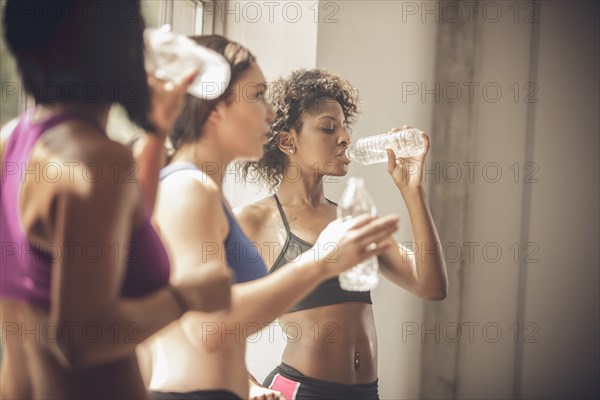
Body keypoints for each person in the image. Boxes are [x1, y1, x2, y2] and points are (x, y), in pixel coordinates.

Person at [144, 35, 399, 400]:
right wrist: (320, 262)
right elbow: (210, 330)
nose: (270, 113)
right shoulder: (189, 189)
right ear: (215, 107)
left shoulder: (205, 193)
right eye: (258, 95)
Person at [0, 1, 231, 398]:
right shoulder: (99, 160)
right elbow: (82, 340)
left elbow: (108, 235)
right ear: (114, 46)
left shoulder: (13, 141)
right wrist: (189, 296)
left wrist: (157, 130)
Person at [237, 68, 448, 400]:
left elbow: (431, 285)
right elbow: (209, 324)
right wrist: (249, 387)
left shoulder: (351, 218)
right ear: (287, 140)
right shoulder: (254, 221)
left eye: (344, 128)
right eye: (327, 128)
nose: (345, 138)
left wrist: (412, 191)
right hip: (302, 393)